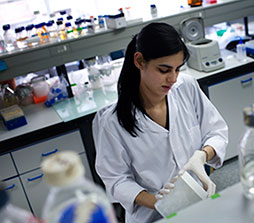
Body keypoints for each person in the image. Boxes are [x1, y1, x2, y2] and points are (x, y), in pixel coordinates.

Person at [93, 22, 228, 223]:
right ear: (139, 61)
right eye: (164, 70)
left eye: (177, 69)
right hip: (151, 215)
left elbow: (216, 130)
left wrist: (202, 155)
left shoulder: (186, 87)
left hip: (196, 201)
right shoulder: (112, 122)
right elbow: (116, 179)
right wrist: (156, 201)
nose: (172, 78)